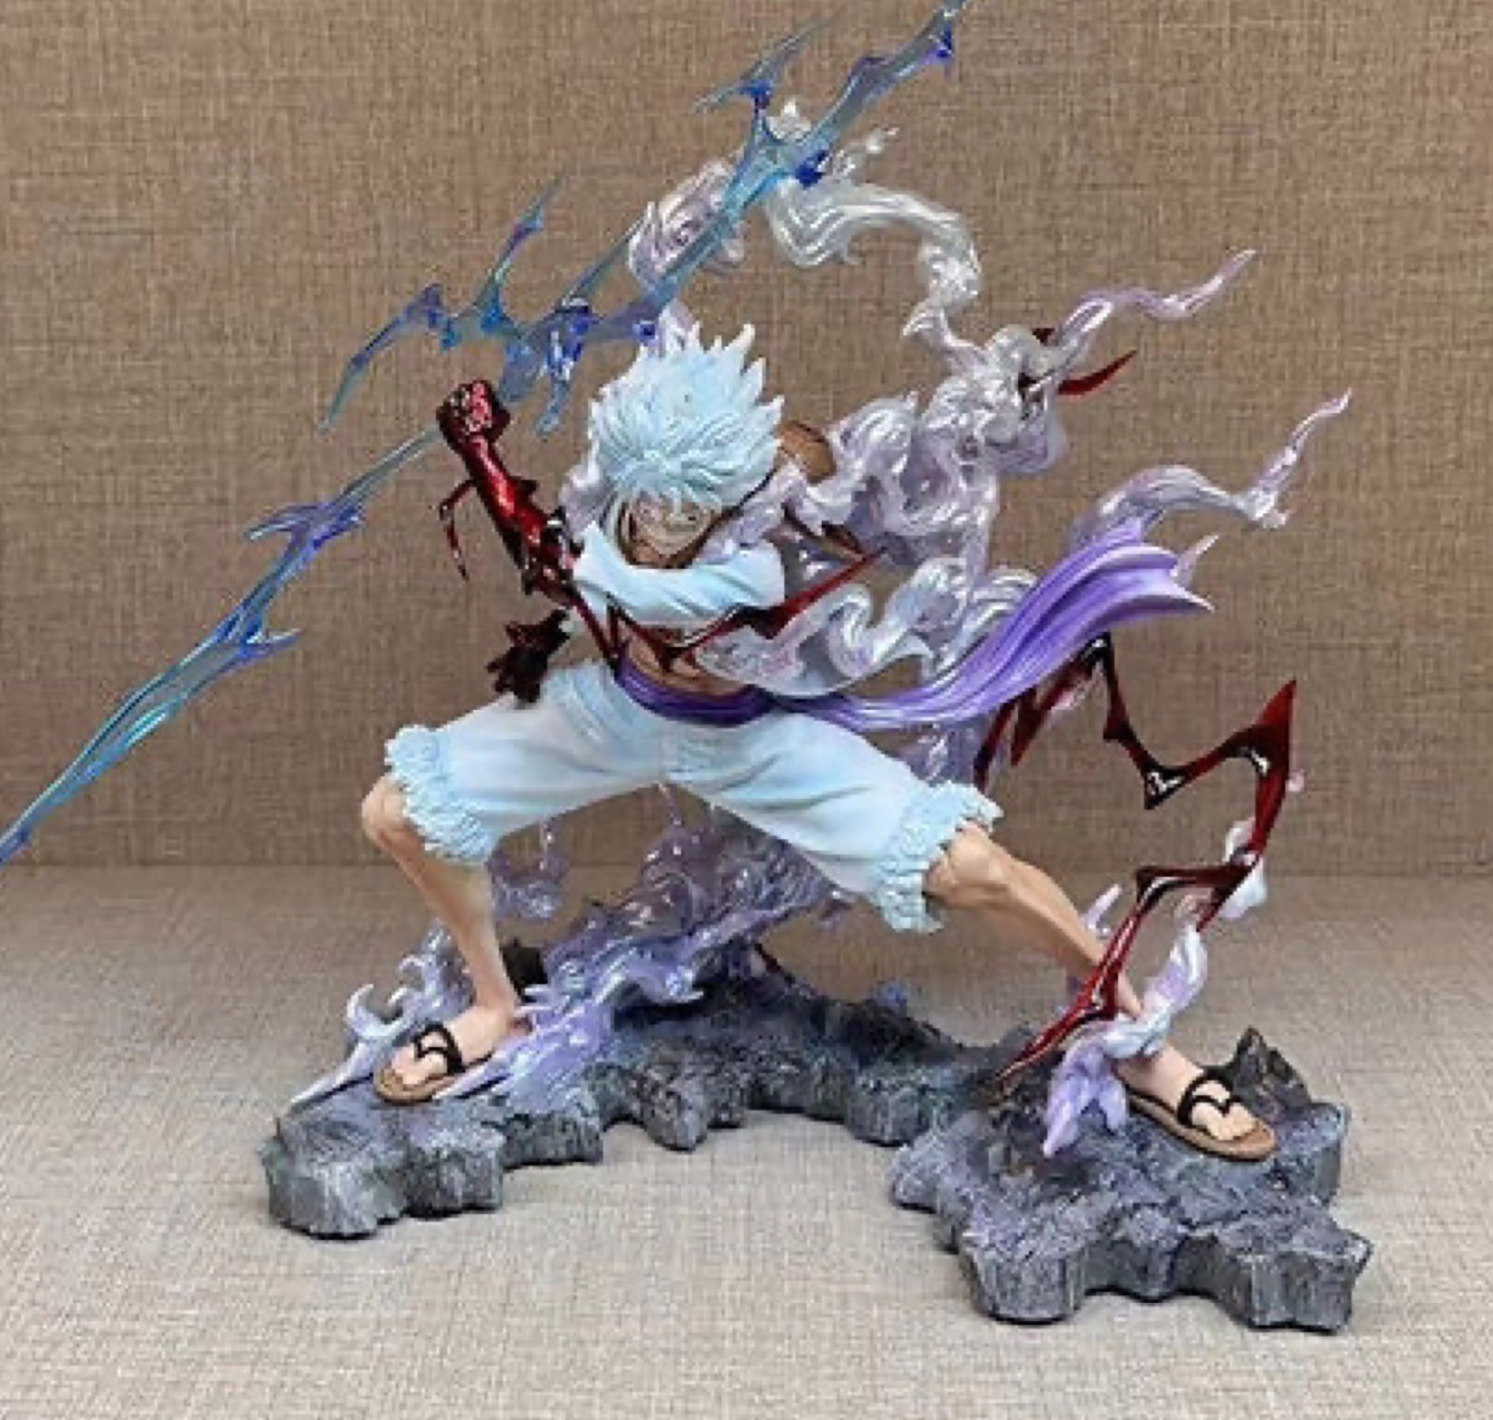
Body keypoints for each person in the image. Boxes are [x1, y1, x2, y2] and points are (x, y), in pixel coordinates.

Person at [360, 323, 1275, 1160]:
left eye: (686, 508)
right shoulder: (620, 498)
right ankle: (495, 1007)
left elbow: (611, 581)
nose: (661, 522)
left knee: (975, 870)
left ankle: (1136, 1040)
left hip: (747, 740)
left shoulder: (754, 550)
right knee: (397, 811)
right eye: (650, 501)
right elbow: (550, 554)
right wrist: (477, 447)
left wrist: (519, 494)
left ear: (730, 490)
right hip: (616, 713)